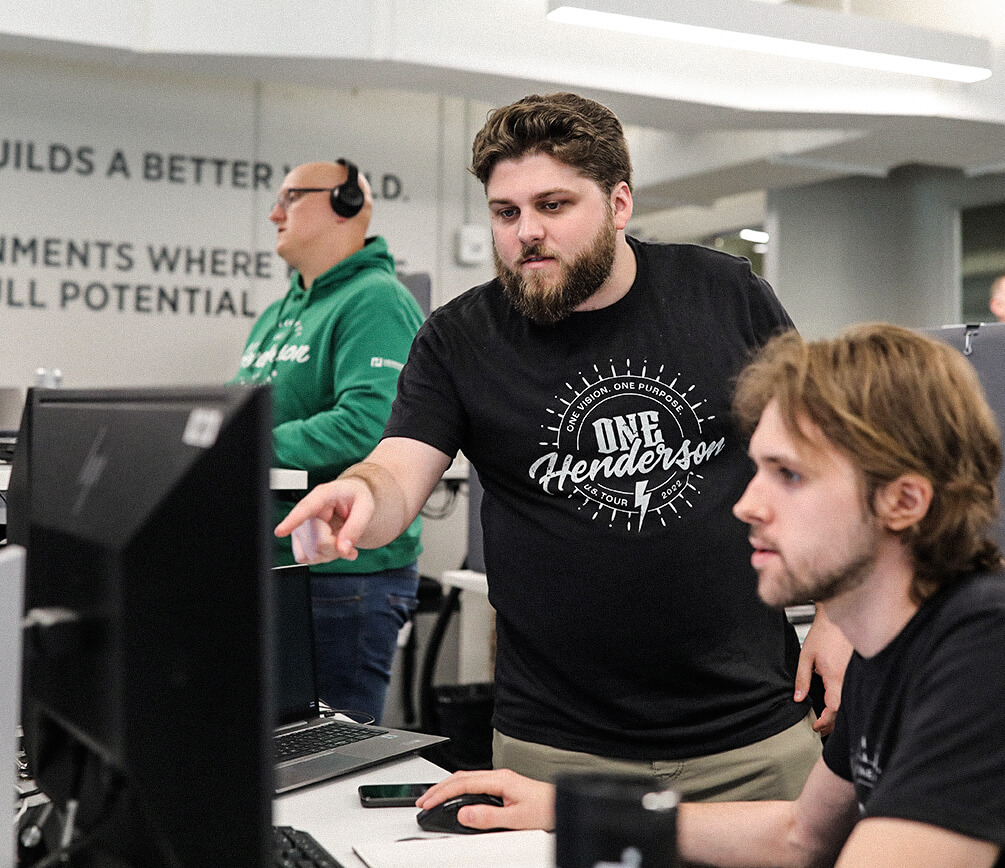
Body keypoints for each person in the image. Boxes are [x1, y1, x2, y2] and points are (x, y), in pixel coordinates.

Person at [417, 323, 1005, 868]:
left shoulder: (996, 651)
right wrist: (564, 807)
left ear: (902, 500)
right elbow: (799, 837)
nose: (746, 505)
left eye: (789, 475)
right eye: (755, 469)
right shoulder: (891, 643)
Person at [277, 93, 847, 800]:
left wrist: (836, 614)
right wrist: (360, 494)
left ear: (618, 203)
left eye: (553, 205)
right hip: (552, 751)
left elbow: (823, 454)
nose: (526, 232)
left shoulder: (724, 294)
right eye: (505, 212)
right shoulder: (460, 338)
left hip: (753, 732)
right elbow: (398, 469)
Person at [232, 159, 425, 724]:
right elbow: (236, 412)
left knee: (329, 752)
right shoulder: (277, 313)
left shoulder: (377, 299)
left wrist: (239, 442)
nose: (275, 214)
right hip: (275, 567)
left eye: (290, 197)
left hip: (343, 578)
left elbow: (368, 421)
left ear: (345, 205)